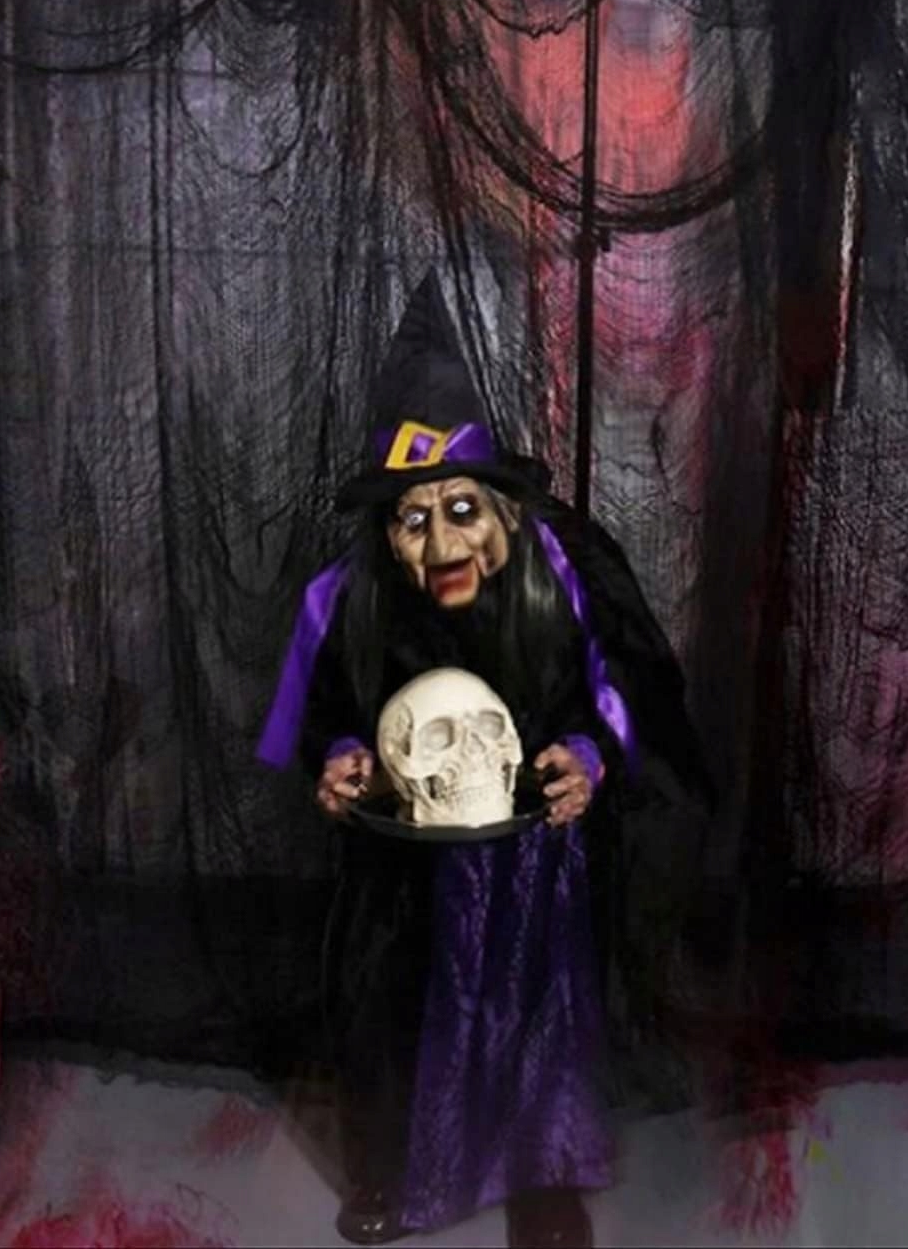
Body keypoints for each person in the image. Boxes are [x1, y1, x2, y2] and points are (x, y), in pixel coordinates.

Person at [257, 274, 712, 1249]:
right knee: (387, 1005)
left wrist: (589, 754)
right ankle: (391, 1171)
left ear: (502, 511)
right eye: (411, 519)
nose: (440, 543)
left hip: (534, 855)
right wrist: (339, 756)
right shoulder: (345, 600)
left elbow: (629, 691)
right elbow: (318, 719)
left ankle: (543, 1179)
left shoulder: (569, 574)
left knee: (538, 1011)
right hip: (404, 862)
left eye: (461, 510)